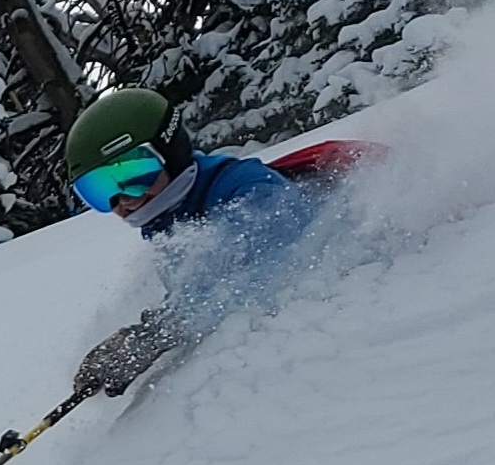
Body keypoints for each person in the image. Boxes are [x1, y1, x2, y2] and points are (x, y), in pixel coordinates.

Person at [64, 87, 316, 398]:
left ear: (170, 152)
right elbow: (198, 286)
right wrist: (150, 334)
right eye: (99, 189)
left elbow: (259, 269)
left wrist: (159, 332)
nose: (122, 200)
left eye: (134, 174)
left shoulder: (248, 188)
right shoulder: (164, 221)